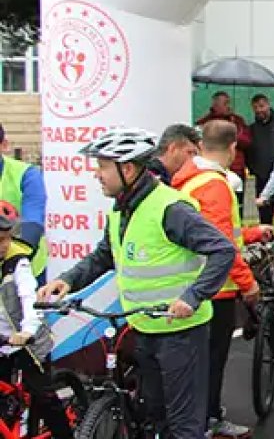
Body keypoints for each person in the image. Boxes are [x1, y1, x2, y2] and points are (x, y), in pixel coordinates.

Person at [38, 128, 235, 439]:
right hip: (144, 329)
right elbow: (104, 256)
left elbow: (223, 251)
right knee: (155, 418)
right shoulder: (122, 211)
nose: (97, 175)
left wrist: (193, 296)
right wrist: (67, 280)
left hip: (181, 334)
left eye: (102, 167)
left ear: (127, 168)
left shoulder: (171, 209)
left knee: (184, 427)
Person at [170, 120, 260, 437]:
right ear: (233, 148)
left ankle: (200, 419)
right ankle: (209, 420)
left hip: (192, 282)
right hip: (216, 288)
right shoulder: (215, 184)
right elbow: (223, 243)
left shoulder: (187, 180)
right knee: (213, 361)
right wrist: (248, 283)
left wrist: (250, 234)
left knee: (197, 363)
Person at [0, 214, 71, 439]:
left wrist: (28, 331)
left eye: (5, 239)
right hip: (2, 342)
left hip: (27, 342)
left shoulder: (17, 263)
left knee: (43, 396)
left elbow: (28, 297)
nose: (2, 246)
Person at [0, 122, 49, 279]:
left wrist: (14, 259)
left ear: (4, 145)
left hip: (25, 266)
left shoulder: (27, 175)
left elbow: (33, 223)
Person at [246, 94, 274, 226]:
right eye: (256, 107)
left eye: (261, 106)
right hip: (261, 176)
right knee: (264, 210)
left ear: (268, 105)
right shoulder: (252, 129)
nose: (259, 110)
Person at [195, 91, 251, 188]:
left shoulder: (237, 121)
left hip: (236, 168)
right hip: (214, 167)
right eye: (225, 103)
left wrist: (232, 134)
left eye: (229, 103)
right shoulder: (205, 122)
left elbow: (247, 141)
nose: (228, 106)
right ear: (216, 105)